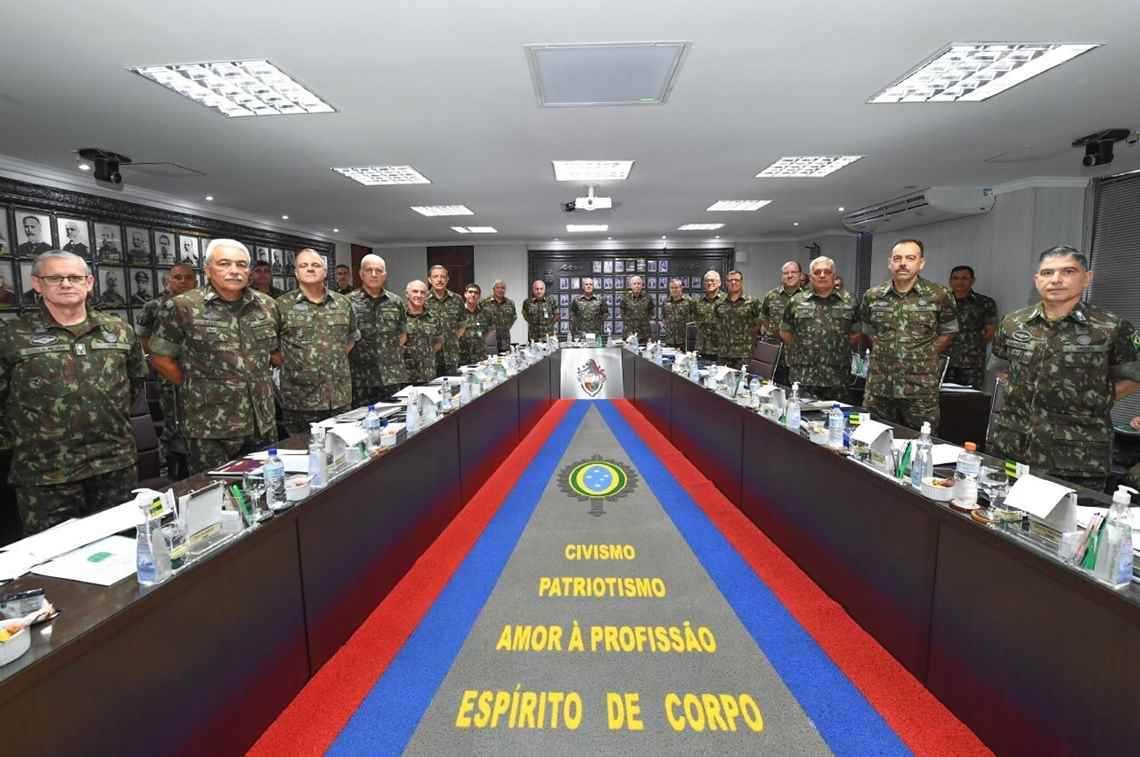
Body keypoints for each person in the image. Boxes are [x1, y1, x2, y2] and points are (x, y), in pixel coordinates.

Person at [0, 251, 147, 536]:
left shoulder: (118, 330)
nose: (66, 284)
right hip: (47, 473)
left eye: (75, 277)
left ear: (89, 282)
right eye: (55, 278)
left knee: (122, 547)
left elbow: (133, 385)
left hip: (113, 465)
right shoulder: (11, 335)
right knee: (53, 554)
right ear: (37, 284)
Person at [987, 246, 1139, 491]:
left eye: (1068, 271)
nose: (1056, 279)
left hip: (1076, 453)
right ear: (1037, 279)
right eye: (1047, 273)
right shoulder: (1014, 323)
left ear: (1087, 278)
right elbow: (1001, 367)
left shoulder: (1111, 327)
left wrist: (1098, 399)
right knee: (1003, 507)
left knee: (1072, 514)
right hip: (1014, 445)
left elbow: (1134, 376)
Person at [148, 240, 281, 474]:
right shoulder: (182, 306)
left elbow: (273, 352)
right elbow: (160, 358)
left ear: (249, 272)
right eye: (224, 264)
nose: (234, 270)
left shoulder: (267, 306)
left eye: (241, 265)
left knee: (266, 485)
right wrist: (198, 388)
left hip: (261, 422)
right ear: (208, 270)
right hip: (209, 427)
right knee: (215, 490)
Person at [859, 239, 958, 431]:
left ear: (921, 263)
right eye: (897, 258)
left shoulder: (939, 295)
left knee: (921, 440)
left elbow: (949, 331)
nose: (903, 263)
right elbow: (869, 330)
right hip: (880, 387)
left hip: (920, 389)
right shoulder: (873, 295)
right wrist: (887, 351)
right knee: (874, 437)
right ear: (890, 263)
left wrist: (923, 355)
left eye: (910, 258)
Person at [275, 249, 358, 434]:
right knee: (302, 449)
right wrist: (299, 367)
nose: (310, 269)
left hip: (339, 397)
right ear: (296, 272)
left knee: (342, 447)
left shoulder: (343, 303)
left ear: (325, 271)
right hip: (300, 401)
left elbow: (351, 338)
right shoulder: (281, 305)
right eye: (304, 265)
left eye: (316, 265)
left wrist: (332, 359)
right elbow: (272, 349)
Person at [136, 263, 197, 481]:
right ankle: (175, 469)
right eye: (177, 277)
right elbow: (144, 340)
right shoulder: (153, 306)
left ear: (195, 282)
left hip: (199, 374)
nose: (183, 281)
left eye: (188, 278)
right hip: (169, 375)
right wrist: (160, 362)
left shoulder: (201, 305)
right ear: (168, 281)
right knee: (174, 420)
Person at [780, 256, 861, 402]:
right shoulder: (796, 301)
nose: (822, 275)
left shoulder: (850, 301)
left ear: (834, 275)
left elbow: (857, 332)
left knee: (837, 414)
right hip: (804, 375)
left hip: (837, 376)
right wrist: (802, 349)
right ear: (811, 276)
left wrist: (838, 348)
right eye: (817, 272)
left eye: (827, 272)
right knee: (800, 414)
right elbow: (785, 332)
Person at [348, 254, 408, 406]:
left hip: (390, 376)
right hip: (360, 378)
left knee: (394, 417)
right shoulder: (348, 302)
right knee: (361, 417)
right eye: (369, 270)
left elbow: (402, 334)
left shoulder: (396, 302)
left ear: (385, 275)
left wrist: (388, 354)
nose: (374, 274)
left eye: (379, 270)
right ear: (361, 273)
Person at [944, 265, 998, 389]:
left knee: (971, 398)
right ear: (950, 281)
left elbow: (990, 332)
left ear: (972, 281)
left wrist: (971, 347)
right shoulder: (941, 301)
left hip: (972, 363)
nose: (959, 282)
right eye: (956, 278)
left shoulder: (985, 303)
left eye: (964, 278)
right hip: (944, 361)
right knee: (942, 397)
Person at [759, 261, 805, 384]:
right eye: (786, 273)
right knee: (771, 388)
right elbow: (763, 317)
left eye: (793, 272)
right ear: (781, 276)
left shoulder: (807, 297)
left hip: (799, 356)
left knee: (797, 391)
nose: (790, 275)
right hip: (774, 355)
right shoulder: (771, 296)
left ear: (800, 275)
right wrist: (775, 332)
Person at [715, 270, 761, 369]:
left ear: (741, 282)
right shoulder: (719, 303)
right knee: (721, 378)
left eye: (736, 280)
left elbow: (759, 323)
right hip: (723, 353)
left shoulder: (752, 302)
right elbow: (716, 324)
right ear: (726, 283)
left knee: (742, 379)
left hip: (744, 354)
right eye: (730, 280)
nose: (733, 282)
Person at [425, 265, 465, 375]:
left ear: (447, 279)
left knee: (452, 385)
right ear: (430, 280)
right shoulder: (423, 299)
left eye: (442, 277)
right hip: (430, 357)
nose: (439, 280)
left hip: (451, 356)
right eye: (435, 276)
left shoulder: (457, 299)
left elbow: (462, 325)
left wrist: (452, 339)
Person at [403, 279, 442, 383]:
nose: (419, 295)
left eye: (423, 292)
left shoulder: (433, 317)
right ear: (407, 294)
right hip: (404, 376)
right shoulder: (399, 316)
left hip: (428, 374)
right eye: (415, 291)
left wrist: (426, 354)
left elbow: (438, 343)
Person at [692, 270, 726, 362]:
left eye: (712, 280)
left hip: (721, 349)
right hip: (702, 348)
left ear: (719, 283)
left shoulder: (727, 301)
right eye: (707, 281)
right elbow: (696, 322)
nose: (709, 283)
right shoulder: (698, 302)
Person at [457, 283, 493, 364]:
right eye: (470, 292)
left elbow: (488, 331)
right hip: (462, 357)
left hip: (480, 357)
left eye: (476, 293)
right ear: (465, 294)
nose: (473, 295)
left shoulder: (485, 313)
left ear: (479, 296)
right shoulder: (457, 312)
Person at [481, 279, 516, 353]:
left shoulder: (510, 303)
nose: (500, 290)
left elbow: (513, 317)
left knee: (505, 359)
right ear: (493, 289)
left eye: (503, 288)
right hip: (489, 341)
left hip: (505, 341)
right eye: (498, 288)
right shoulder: (484, 303)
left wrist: (505, 327)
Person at [620, 275, 655, 342]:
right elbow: (622, 312)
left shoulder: (648, 298)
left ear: (642, 285)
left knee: (644, 348)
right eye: (634, 284)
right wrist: (628, 321)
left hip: (644, 333)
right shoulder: (625, 298)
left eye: (639, 283)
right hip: (629, 333)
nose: (637, 286)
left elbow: (652, 312)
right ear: (631, 286)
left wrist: (644, 320)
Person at [660, 278, 692, 349]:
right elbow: (663, 317)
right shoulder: (666, 302)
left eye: (676, 287)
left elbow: (694, 320)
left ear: (681, 288)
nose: (674, 290)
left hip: (685, 341)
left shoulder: (689, 301)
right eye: (672, 288)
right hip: (669, 340)